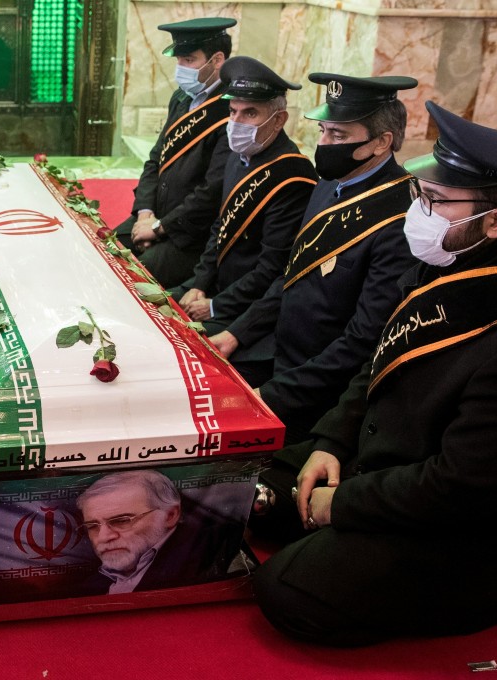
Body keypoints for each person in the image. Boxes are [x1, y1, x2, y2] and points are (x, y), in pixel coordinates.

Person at [252, 102, 497, 646]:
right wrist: (330, 442)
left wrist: (343, 503)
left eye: (435, 201)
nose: (419, 212)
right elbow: (379, 363)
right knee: (251, 494)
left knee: (286, 592)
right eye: (420, 194)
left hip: (462, 526)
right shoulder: (456, 261)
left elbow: (464, 487)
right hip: (389, 459)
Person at [212, 73, 418, 445]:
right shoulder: (329, 184)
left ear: (381, 142)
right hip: (280, 353)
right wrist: (236, 333)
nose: (323, 144)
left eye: (338, 136)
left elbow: (362, 339)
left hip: (322, 392)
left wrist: (273, 396)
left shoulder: (400, 217)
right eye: (323, 131)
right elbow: (291, 275)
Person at [175, 57, 318, 335]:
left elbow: (272, 269)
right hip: (216, 288)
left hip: (246, 308)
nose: (236, 123)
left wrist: (214, 305)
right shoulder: (241, 154)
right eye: (232, 111)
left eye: (250, 113)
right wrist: (199, 284)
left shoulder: (291, 175)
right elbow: (221, 225)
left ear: (279, 120)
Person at [114, 18, 235, 288]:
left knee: (134, 280)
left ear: (217, 60)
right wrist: (144, 213)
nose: (180, 69)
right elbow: (155, 159)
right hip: (153, 216)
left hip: (188, 234)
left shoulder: (231, 111)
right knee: (105, 251)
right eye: (179, 60)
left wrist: (159, 228)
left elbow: (211, 190)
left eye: (189, 60)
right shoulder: (181, 98)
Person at [75, 470, 237, 594]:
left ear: (170, 515)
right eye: (92, 526)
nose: (103, 537)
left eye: (122, 520)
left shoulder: (210, 556)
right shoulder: (89, 586)